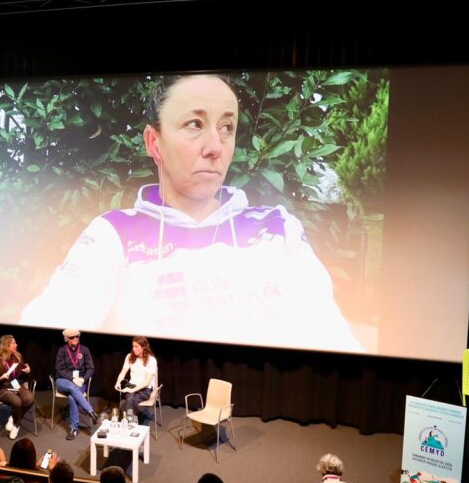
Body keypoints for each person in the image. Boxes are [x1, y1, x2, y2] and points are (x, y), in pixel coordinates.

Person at [21, 73, 362, 353]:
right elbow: (41, 335)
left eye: (227, 127)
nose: (215, 147)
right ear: (154, 143)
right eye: (194, 124)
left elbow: (333, 338)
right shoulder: (111, 236)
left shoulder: (278, 229)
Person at [55, 328, 99, 441]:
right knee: (71, 387)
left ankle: (73, 428)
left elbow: (91, 368)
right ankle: (90, 411)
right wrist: (71, 378)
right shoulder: (62, 350)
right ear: (66, 339)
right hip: (63, 381)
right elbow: (59, 369)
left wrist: (83, 379)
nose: (75, 339)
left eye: (77, 336)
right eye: (72, 337)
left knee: (72, 397)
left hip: (80, 381)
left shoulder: (84, 350)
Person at [0, 335, 34, 440]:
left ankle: (14, 419)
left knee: (30, 399)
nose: (16, 345)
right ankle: (17, 425)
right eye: (13, 343)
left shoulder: (18, 356)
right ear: (6, 346)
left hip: (15, 384)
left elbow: (23, 374)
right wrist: (1, 378)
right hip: (2, 387)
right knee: (17, 402)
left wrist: (28, 371)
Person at [114, 336, 158, 424]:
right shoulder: (129, 357)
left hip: (145, 389)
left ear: (143, 348)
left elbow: (147, 382)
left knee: (129, 402)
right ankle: (135, 419)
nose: (133, 349)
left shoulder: (151, 360)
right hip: (131, 386)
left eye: (136, 346)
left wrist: (132, 390)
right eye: (133, 346)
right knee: (129, 400)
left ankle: (133, 420)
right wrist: (118, 382)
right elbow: (123, 372)